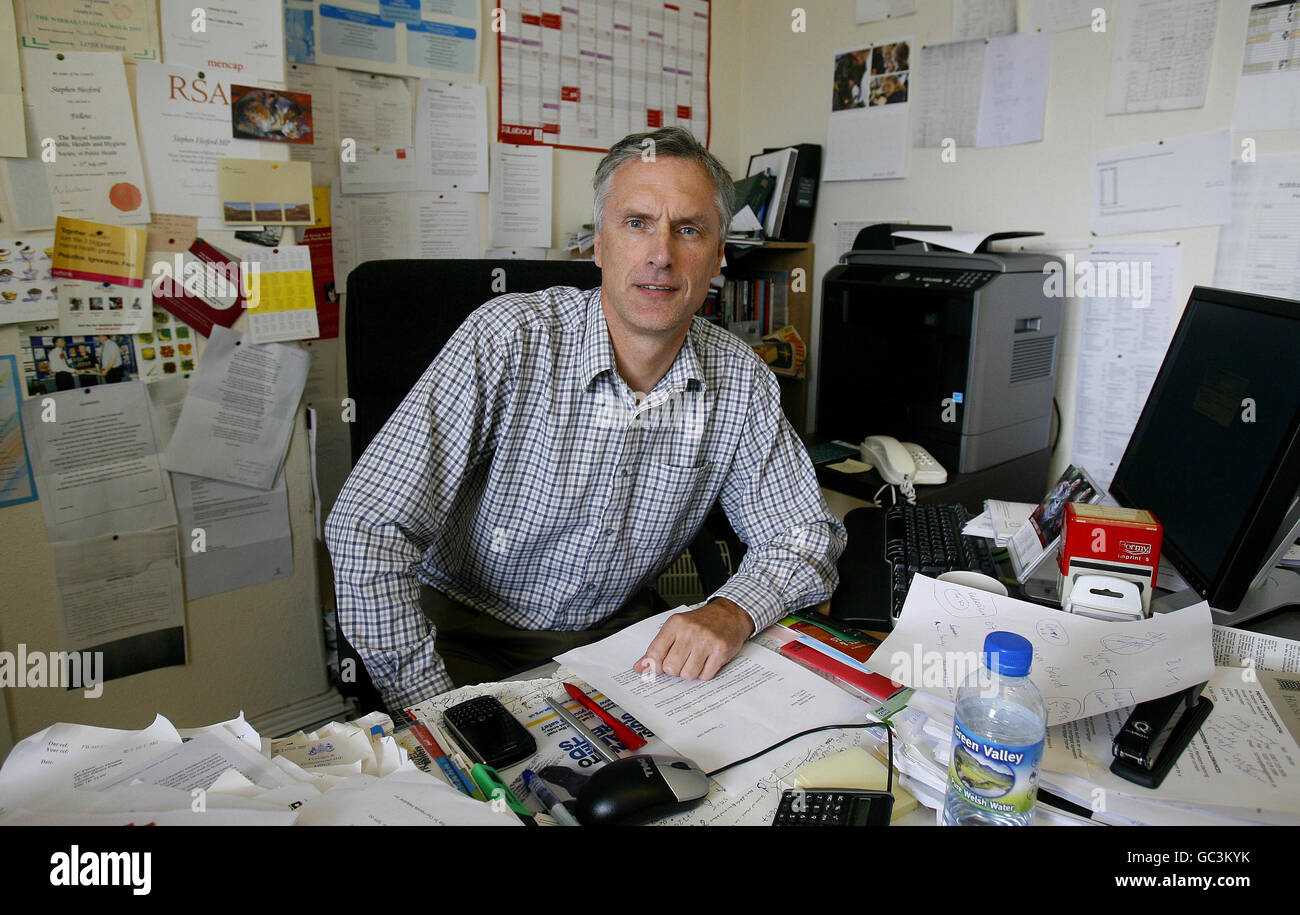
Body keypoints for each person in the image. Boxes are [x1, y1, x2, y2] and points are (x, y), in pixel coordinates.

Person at [325, 126, 846, 711]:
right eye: (637, 223)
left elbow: (803, 534)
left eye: (690, 230)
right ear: (598, 245)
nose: (661, 255)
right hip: (458, 637)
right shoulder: (509, 337)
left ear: (718, 256)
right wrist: (434, 708)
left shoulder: (741, 379)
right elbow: (368, 526)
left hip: (620, 642)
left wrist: (733, 609)